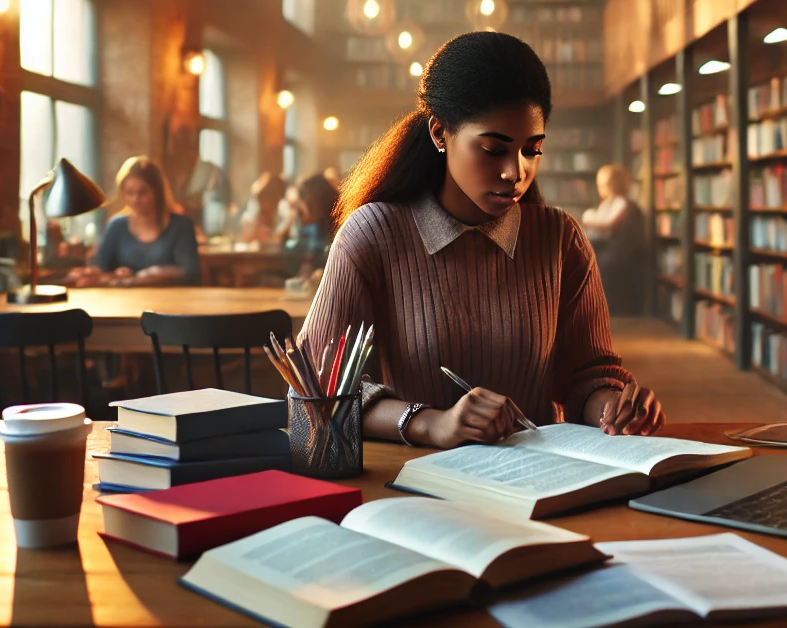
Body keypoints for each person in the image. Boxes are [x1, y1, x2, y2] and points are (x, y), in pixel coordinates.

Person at [298, 32, 664, 451]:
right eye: (493, 149)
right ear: (440, 133)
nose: (516, 171)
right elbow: (316, 384)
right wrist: (430, 423)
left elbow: (587, 374)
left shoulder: (560, 240)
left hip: (542, 477)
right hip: (421, 480)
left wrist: (614, 406)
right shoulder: (372, 234)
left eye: (533, 150)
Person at [68, 156, 201, 285]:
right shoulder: (116, 226)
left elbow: (190, 272)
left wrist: (149, 275)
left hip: (174, 302)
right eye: (130, 192)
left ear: (157, 192)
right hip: (126, 302)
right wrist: (110, 275)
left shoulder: (181, 226)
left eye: (142, 192)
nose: (135, 199)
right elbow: (100, 268)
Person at [582, 164, 650, 316]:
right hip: (610, 249)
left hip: (623, 255)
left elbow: (609, 226)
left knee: (595, 266)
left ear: (614, 184)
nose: (600, 188)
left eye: (604, 184)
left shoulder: (623, 204)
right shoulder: (608, 203)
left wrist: (589, 220)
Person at [238, 172, 294, 244]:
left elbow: (284, 227)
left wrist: (274, 235)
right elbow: (246, 235)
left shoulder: (282, 207)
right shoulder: (254, 206)